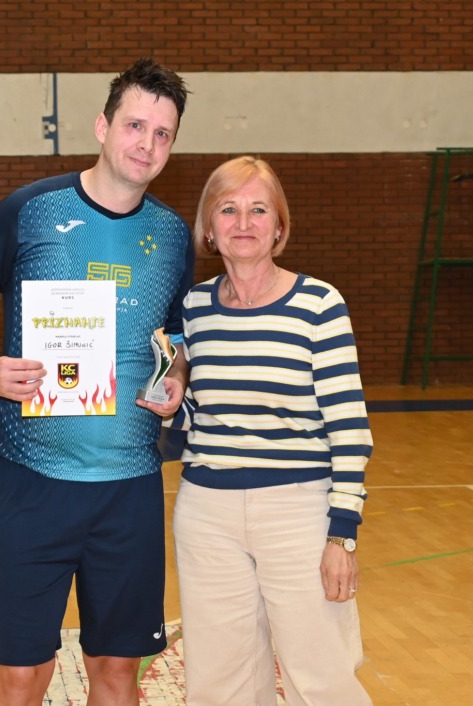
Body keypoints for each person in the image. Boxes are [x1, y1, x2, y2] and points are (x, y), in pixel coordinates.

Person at [0, 58, 192, 706]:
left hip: (129, 492)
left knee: (116, 671)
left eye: (162, 133)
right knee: (22, 676)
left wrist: (175, 379)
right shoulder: (29, 210)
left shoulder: (171, 235)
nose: (146, 143)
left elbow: (173, 338)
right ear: (102, 127)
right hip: (33, 488)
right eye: (134, 125)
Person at [171, 155, 373, 705]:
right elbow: (200, 414)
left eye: (259, 210)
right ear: (208, 228)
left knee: (323, 682)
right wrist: (171, 404)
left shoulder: (319, 305)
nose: (243, 223)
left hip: (299, 514)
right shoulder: (194, 309)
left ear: (279, 226)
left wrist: (341, 535)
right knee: (219, 687)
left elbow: (349, 428)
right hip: (207, 516)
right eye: (228, 210)